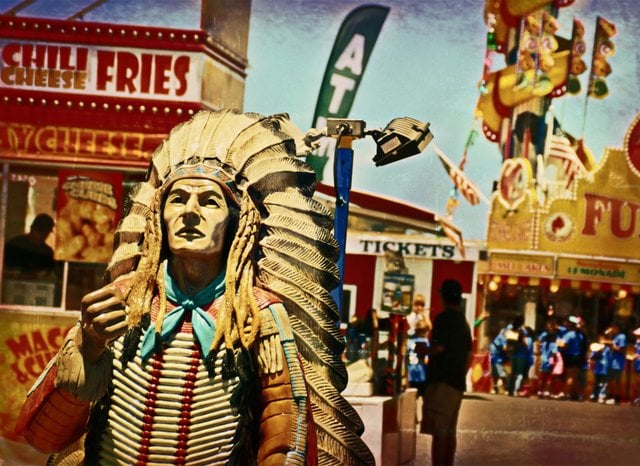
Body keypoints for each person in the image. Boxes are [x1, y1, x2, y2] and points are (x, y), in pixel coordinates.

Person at [15, 110, 374, 465]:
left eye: (209, 201)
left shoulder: (259, 317)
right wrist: (89, 350)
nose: (190, 212)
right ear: (158, 217)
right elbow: (46, 437)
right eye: (178, 199)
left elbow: (285, 436)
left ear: (238, 224)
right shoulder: (123, 300)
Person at [422, 279, 472, 466]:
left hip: (442, 381)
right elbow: (469, 354)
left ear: (443, 296)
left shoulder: (443, 318)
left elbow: (439, 348)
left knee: (440, 433)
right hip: (457, 383)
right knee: (450, 432)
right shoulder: (463, 321)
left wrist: (423, 350)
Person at [4, 213, 55, 277]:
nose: (42, 237)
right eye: (40, 232)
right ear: (32, 228)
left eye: (45, 234)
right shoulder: (15, 245)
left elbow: (49, 274)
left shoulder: (47, 252)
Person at [407, 294, 432, 396]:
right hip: (412, 340)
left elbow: (429, 326)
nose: (419, 308)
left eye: (421, 305)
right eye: (416, 305)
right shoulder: (411, 316)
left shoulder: (423, 316)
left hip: (421, 341)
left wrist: (425, 315)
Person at [605, 321, 627, 405]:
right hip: (611, 362)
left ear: (617, 328)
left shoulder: (622, 337)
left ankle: (616, 398)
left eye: (613, 327)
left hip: (617, 363)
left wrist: (611, 345)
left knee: (616, 381)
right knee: (610, 380)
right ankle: (610, 396)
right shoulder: (614, 337)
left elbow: (622, 349)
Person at [537, 317, 559, 398]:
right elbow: (539, 344)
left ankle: (543, 390)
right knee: (546, 376)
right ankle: (543, 390)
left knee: (546, 376)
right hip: (546, 358)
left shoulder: (550, 336)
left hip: (546, 358)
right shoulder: (549, 336)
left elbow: (539, 343)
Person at [489, 322, 508, 394]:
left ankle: (494, 388)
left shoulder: (498, 337)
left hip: (494, 358)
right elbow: (505, 348)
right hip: (498, 358)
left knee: (495, 374)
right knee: (502, 374)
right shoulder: (502, 338)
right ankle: (506, 389)